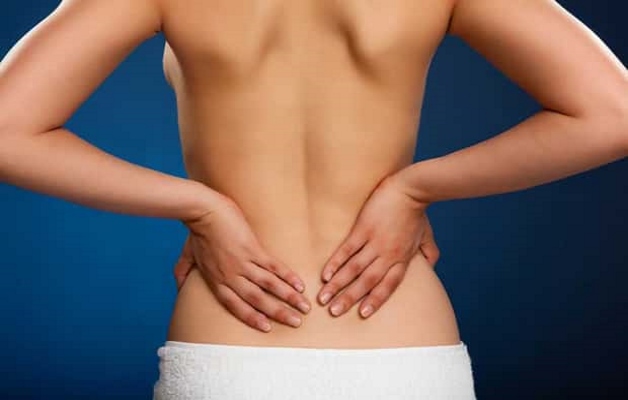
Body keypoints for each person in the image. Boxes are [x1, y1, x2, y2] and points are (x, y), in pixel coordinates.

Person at [0, 0, 626, 398]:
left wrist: (201, 206)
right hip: (401, 348)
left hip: (234, 344)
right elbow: (613, 113)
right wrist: (415, 188)